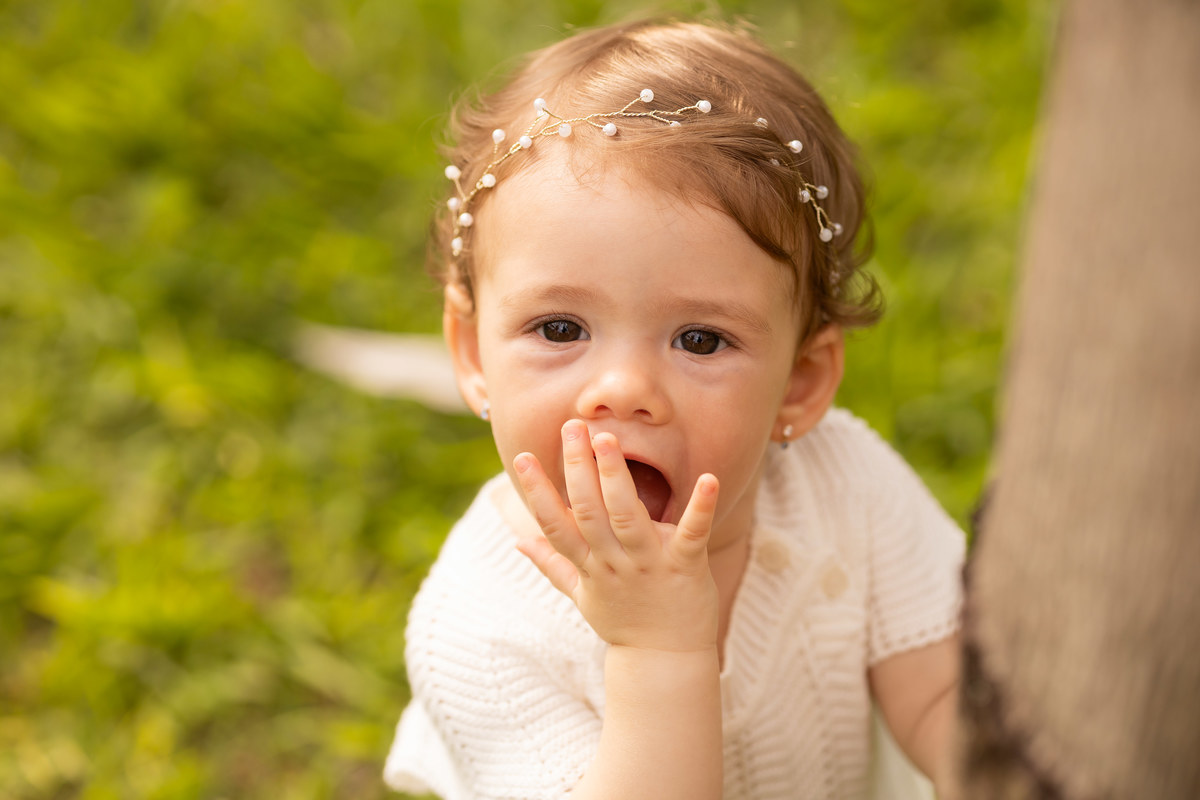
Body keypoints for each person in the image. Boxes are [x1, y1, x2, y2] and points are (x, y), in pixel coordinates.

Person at [384, 18, 964, 800]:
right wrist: (659, 652)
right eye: (560, 329)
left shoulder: (846, 484)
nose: (622, 389)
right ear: (471, 352)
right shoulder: (483, 623)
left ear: (800, 382)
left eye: (699, 339)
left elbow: (941, 695)